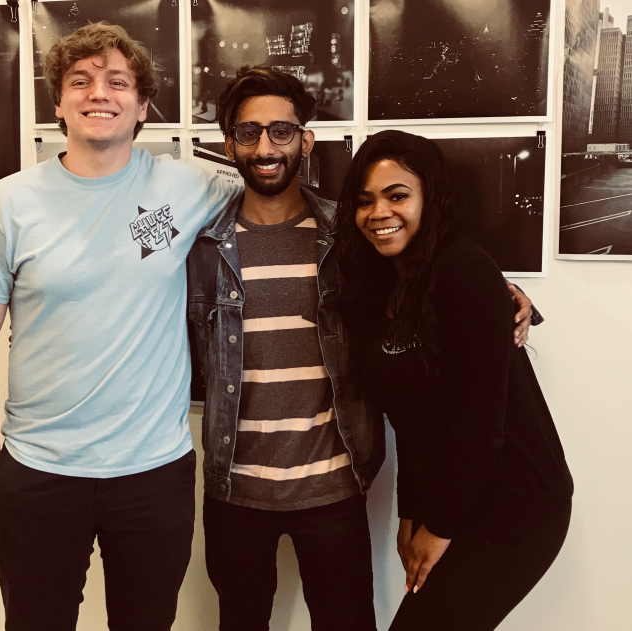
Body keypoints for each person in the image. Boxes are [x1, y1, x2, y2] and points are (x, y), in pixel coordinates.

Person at [186, 68, 536, 631]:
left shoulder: (350, 236)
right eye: (247, 132)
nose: (264, 146)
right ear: (229, 143)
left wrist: (511, 300)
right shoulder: (199, 244)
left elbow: (430, 280)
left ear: (306, 140)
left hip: (335, 486)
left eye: (280, 130)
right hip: (235, 487)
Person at [0, 23, 237, 631]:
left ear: (141, 105)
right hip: (38, 472)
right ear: (58, 102)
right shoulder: (8, 203)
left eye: (117, 82)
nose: (97, 93)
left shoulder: (185, 185)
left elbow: (277, 191)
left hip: (154, 472)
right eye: (79, 81)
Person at [335, 130, 573, 631]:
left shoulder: (463, 269)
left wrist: (437, 528)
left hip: (516, 506)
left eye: (398, 195)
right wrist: (410, 514)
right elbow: (414, 422)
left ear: (430, 197)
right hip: (456, 500)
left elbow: (480, 421)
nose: (379, 212)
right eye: (365, 201)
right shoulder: (386, 283)